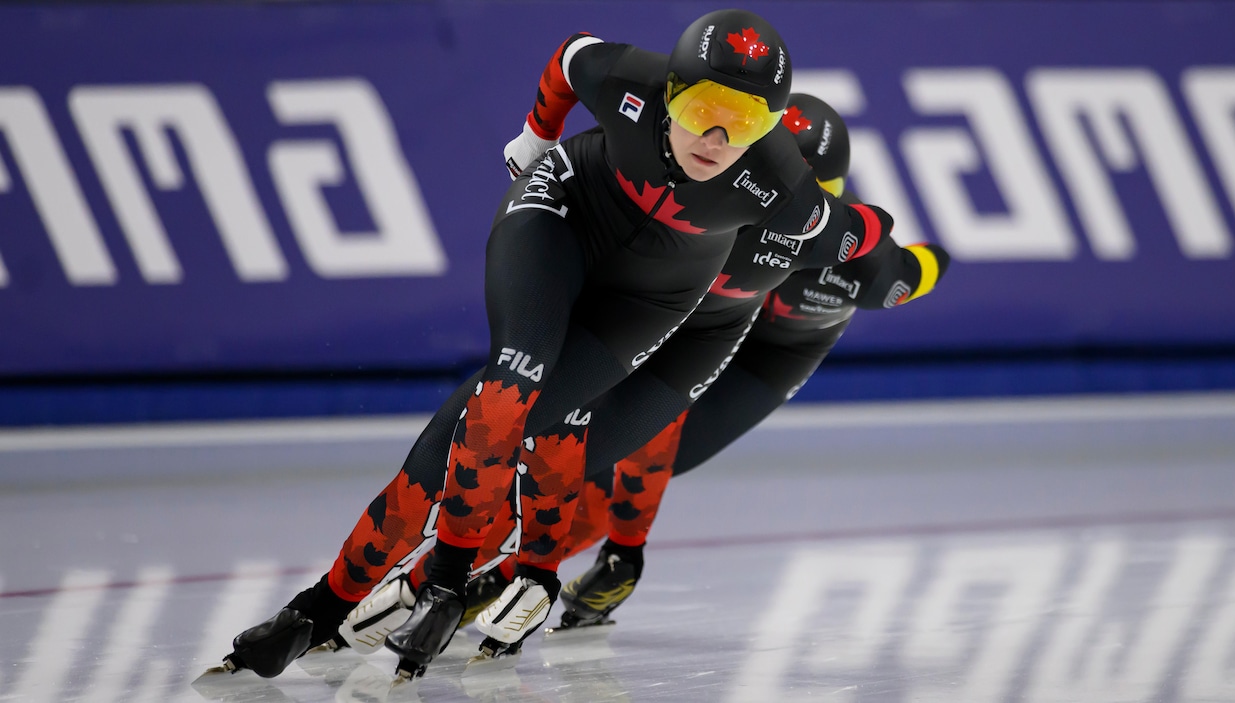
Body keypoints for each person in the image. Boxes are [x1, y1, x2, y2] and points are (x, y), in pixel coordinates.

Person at [212, 9, 895, 682]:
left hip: (650, 302)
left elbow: (864, 235)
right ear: (671, 90)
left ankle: (387, 594)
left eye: (743, 121)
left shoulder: (789, 199)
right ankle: (403, 590)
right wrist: (538, 132)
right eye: (703, 107)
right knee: (507, 390)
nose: (715, 136)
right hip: (566, 216)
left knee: (517, 437)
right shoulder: (629, 82)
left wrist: (885, 254)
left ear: (769, 132)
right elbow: (571, 56)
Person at [331, 94, 948, 656]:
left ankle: (465, 578)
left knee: (624, 464)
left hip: (772, 353)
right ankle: (442, 578)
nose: (780, 217)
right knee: (577, 450)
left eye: (807, 208)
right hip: (708, 322)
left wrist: (625, 549)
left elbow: (922, 269)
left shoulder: (858, 267)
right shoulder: (705, 215)